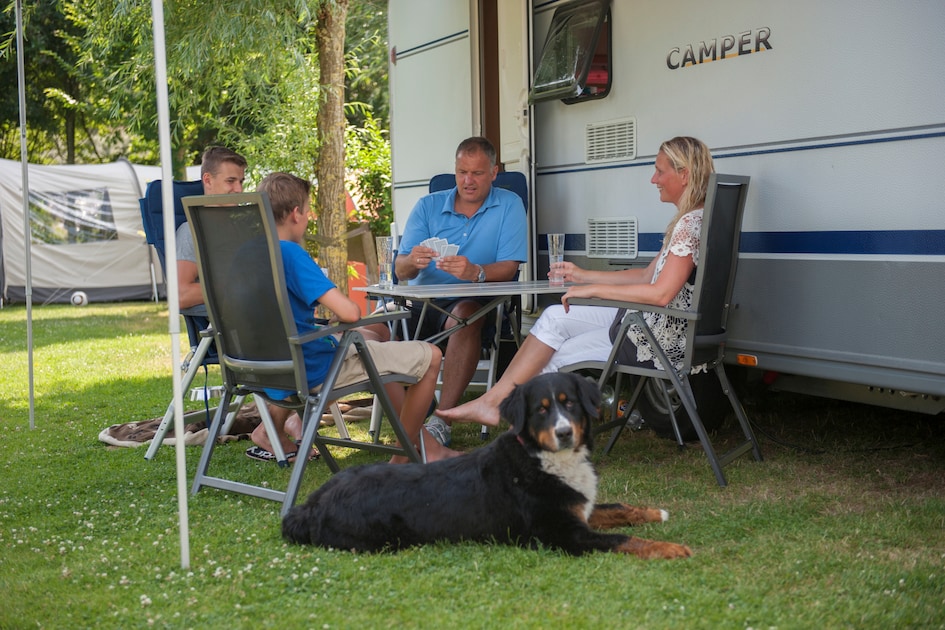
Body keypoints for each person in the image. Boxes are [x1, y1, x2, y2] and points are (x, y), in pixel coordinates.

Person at [439, 136, 714, 428]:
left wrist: (594, 291)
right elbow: (647, 275)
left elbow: (660, 294)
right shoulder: (694, 217)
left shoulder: (687, 225)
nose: (653, 179)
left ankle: (523, 426)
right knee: (554, 317)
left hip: (649, 337)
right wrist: (585, 275)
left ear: (684, 174)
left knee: (551, 357)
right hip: (646, 322)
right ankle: (494, 403)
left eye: (660, 171)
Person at [249, 172, 461, 463]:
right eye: (309, 211)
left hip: (261, 369)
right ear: (296, 214)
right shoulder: (290, 254)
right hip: (313, 370)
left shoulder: (246, 254)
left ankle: (426, 449)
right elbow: (350, 312)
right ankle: (405, 457)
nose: (308, 218)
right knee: (432, 356)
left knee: (374, 351)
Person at [361, 137, 527, 447]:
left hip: (472, 301)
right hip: (421, 303)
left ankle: (442, 420)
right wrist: (412, 260)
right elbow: (401, 270)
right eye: (462, 171)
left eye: (477, 173)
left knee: (465, 316)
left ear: (494, 172)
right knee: (365, 330)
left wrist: (476, 272)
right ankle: (409, 412)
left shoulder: (509, 205)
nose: (468, 181)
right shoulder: (428, 206)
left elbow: (509, 267)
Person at [177, 146, 248, 309]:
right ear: (208, 180)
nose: (239, 189)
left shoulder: (245, 226)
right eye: (231, 181)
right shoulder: (192, 231)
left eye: (241, 181)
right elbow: (181, 294)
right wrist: (241, 285)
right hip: (233, 325)